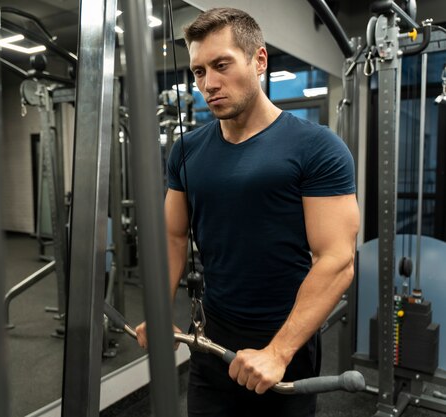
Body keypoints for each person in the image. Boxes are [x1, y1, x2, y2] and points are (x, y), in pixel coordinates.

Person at [136, 8, 360, 417]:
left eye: (221, 65)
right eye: (200, 71)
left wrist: (278, 351)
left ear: (259, 60)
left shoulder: (317, 148)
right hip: (212, 333)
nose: (209, 83)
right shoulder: (187, 150)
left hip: (285, 337)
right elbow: (171, 236)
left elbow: (338, 259)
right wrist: (159, 309)